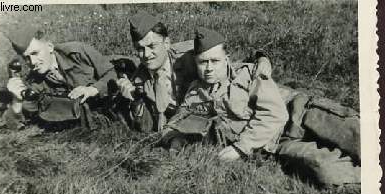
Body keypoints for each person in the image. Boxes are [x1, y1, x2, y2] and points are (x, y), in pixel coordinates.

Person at [115, 11, 272, 132]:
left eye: (152, 46)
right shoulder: (138, 80)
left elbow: (226, 57)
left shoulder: (188, 53)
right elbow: (146, 127)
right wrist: (134, 101)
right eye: (140, 49)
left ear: (167, 43)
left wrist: (261, 58)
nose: (146, 55)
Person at [161, 27, 289, 162]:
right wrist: (174, 138)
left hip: (292, 119)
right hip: (268, 139)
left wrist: (240, 148)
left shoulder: (248, 75)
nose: (209, 68)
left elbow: (275, 114)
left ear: (226, 59)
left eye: (215, 61)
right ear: (195, 62)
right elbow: (177, 119)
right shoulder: (195, 90)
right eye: (203, 62)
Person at [3, 23, 118, 130]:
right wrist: (17, 101)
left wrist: (93, 89)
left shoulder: (77, 53)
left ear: (49, 46)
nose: (32, 62)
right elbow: (14, 125)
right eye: (26, 58)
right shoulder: (35, 81)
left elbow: (111, 73)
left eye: (35, 53)